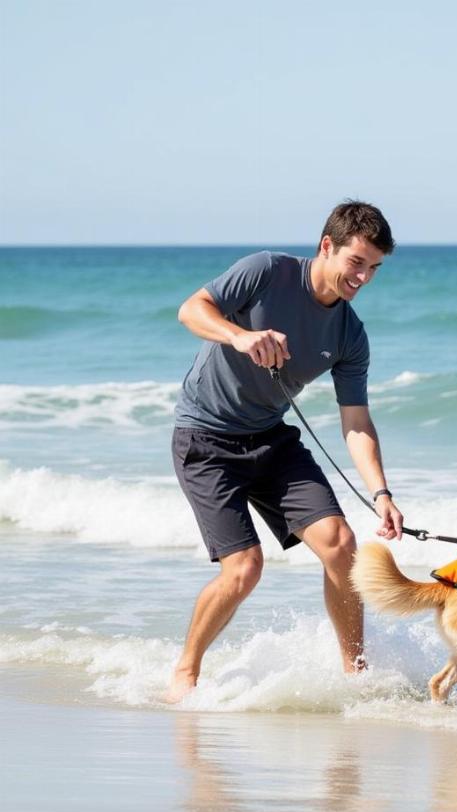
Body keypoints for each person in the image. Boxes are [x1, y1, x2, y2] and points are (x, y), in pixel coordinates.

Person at [166, 200, 403, 702]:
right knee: (245, 568)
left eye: (374, 268)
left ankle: (355, 675)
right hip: (205, 440)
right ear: (327, 247)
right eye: (356, 262)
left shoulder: (349, 334)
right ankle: (186, 672)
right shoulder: (267, 272)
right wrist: (241, 336)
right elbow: (191, 310)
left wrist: (380, 492)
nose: (363, 277)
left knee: (341, 544)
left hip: (270, 439)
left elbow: (356, 422)